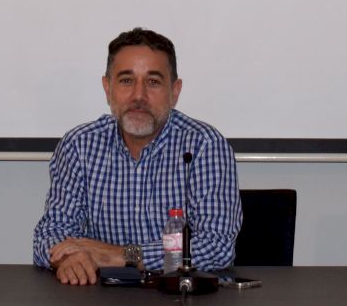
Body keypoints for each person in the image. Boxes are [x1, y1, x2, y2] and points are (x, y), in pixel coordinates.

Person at [32, 27, 241, 285]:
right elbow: (50, 232)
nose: (139, 96)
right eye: (126, 81)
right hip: (102, 295)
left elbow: (217, 247)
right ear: (107, 88)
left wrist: (123, 255)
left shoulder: (204, 145)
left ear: (175, 91)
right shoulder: (79, 145)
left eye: (153, 82)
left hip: (179, 294)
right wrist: (69, 258)